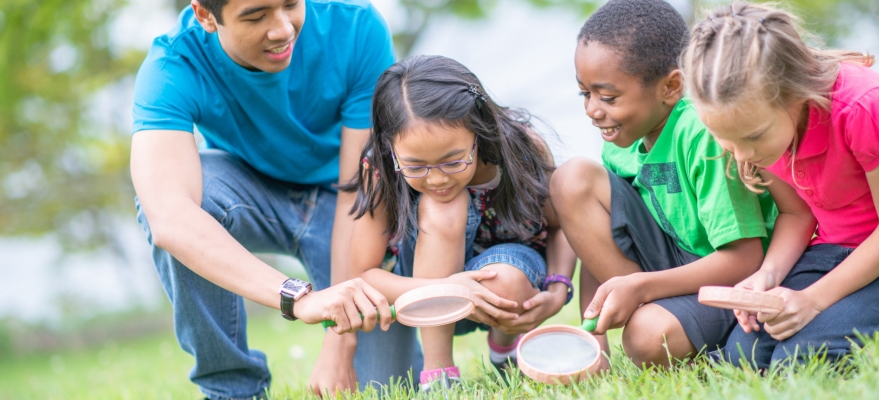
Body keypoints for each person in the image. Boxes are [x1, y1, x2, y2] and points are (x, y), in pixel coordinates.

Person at [129, 0, 415, 397]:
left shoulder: (354, 26)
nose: (282, 29)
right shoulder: (173, 64)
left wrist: (339, 339)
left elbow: (360, 190)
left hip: (344, 204)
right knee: (178, 199)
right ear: (206, 15)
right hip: (252, 192)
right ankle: (232, 389)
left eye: (290, 5)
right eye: (256, 15)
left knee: (390, 384)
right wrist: (296, 298)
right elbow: (169, 217)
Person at [682, 2, 879, 369]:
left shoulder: (867, 107)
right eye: (725, 138)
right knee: (742, 359)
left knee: (801, 360)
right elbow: (796, 212)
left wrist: (814, 300)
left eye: (753, 137)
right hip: (832, 248)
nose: (741, 155)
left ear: (796, 94)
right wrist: (766, 276)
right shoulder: (751, 127)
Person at [549, 0, 777, 369]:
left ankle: (679, 325)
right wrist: (594, 340)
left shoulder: (702, 134)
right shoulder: (622, 143)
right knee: (571, 179)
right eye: (584, 94)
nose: (592, 109)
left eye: (607, 97)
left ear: (671, 86)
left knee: (645, 338)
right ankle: (650, 312)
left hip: (728, 278)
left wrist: (642, 287)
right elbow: (593, 242)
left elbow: (745, 258)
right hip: (664, 264)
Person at [340, 54, 577, 390]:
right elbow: (363, 275)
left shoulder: (522, 150)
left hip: (506, 282)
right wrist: (445, 289)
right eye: (415, 166)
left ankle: (504, 350)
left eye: (452, 161)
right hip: (418, 292)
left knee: (504, 277)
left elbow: (560, 225)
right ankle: (437, 376)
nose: (436, 179)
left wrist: (557, 288)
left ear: (479, 132)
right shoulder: (378, 168)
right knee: (443, 206)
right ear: (391, 147)